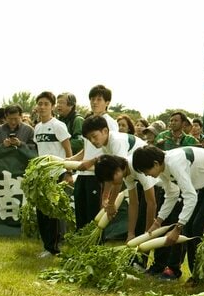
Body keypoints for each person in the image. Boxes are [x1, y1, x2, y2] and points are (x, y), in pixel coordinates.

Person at [132, 144, 204, 281]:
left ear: (155, 163)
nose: (146, 175)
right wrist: (158, 222)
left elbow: (190, 196)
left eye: (146, 171)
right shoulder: (163, 168)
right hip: (203, 185)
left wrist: (177, 227)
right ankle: (197, 274)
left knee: (199, 227)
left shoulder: (175, 163)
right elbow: (172, 194)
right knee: (190, 228)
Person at [70, 115, 158, 239]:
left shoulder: (116, 142)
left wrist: (111, 203)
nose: (93, 141)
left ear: (105, 131)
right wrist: (105, 197)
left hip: (149, 174)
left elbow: (117, 175)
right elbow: (113, 174)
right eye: (89, 139)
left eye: (94, 136)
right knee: (136, 207)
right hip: (135, 174)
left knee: (147, 213)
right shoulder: (108, 146)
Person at [68, 86, 119, 229]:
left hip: (97, 176)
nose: (94, 102)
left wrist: (91, 162)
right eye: (92, 99)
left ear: (107, 102)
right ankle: (81, 249)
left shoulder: (109, 123)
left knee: (94, 218)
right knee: (81, 216)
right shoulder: (89, 121)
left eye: (99, 99)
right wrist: (72, 159)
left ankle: (94, 249)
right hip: (83, 174)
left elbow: (111, 152)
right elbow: (86, 149)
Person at [32, 91, 72, 255]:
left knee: (54, 212)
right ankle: (47, 244)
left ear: (52, 107)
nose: (42, 107)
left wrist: (68, 172)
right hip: (42, 175)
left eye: (46, 104)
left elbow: (68, 150)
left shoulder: (58, 125)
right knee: (42, 210)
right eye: (40, 104)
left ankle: (54, 247)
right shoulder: (37, 127)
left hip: (57, 173)